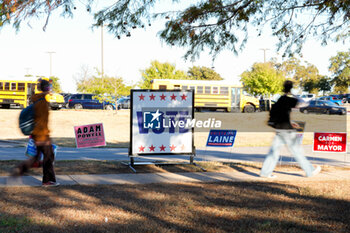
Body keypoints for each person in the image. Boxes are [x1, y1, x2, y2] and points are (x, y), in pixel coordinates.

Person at [260, 80, 321, 178]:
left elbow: (279, 114)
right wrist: (294, 94)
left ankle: (265, 173)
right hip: (287, 130)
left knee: (273, 152)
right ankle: (310, 171)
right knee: (297, 152)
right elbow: (304, 103)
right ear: (291, 88)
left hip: (279, 129)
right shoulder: (289, 100)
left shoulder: (280, 99)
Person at [13, 78, 59, 186]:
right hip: (41, 136)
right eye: (49, 87)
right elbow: (41, 122)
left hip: (37, 135)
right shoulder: (42, 102)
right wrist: (44, 138)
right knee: (48, 157)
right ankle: (48, 181)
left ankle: (20, 170)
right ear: (46, 89)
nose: (50, 89)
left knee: (37, 158)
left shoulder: (37, 99)